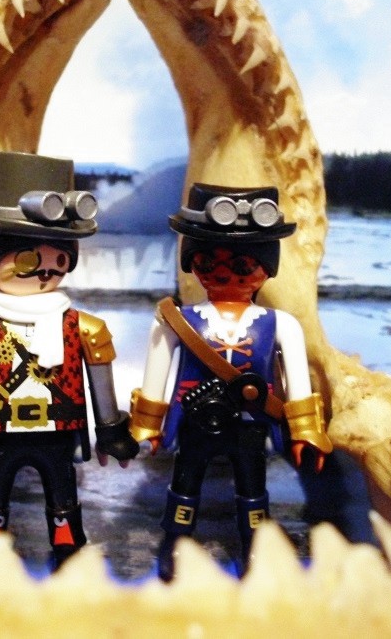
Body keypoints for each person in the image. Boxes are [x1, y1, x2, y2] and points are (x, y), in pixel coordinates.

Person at [0, 151, 138, 568]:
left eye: (59, 259)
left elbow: (99, 381)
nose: (45, 271)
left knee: (63, 497)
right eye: (27, 259)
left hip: (58, 429)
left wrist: (110, 429)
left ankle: (67, 555)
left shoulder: (82, 326)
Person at [128, 183, 332, 580]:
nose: (224, 272)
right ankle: (175, 542)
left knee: (253, 490)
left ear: (266, 267)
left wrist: (307, 432)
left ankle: (255, 547)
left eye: (242, 265)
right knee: (184, 485)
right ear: (192, 262)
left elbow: (297, 382)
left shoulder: (281, 324)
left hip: (251, 422)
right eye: (208, 261)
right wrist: (146, 425)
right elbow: (157, 371)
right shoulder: (178, 321)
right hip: (194, 419)